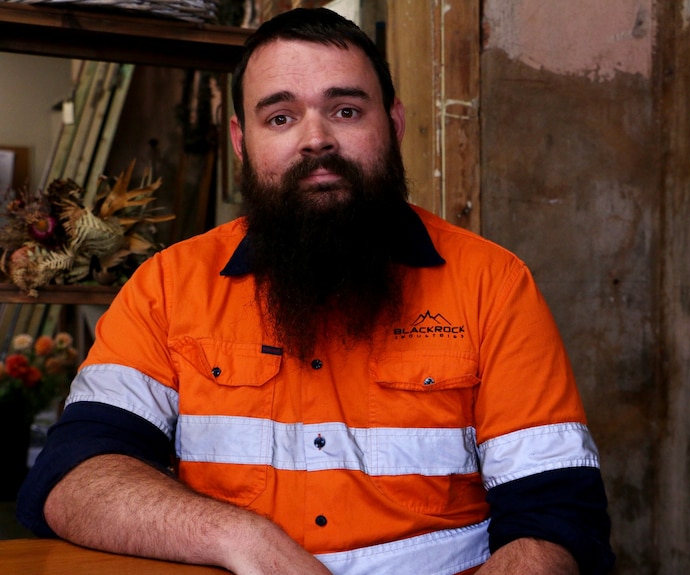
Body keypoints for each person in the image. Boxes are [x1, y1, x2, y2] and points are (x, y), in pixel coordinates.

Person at [16, 7, 614, 575]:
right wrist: (241, 536)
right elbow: (74, 476)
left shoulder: (494, 284)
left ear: (395, 124)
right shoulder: (169, 287)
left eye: (347, 110)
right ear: (241, 141)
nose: (316, 139)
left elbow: (557, 518)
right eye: (280, 117)